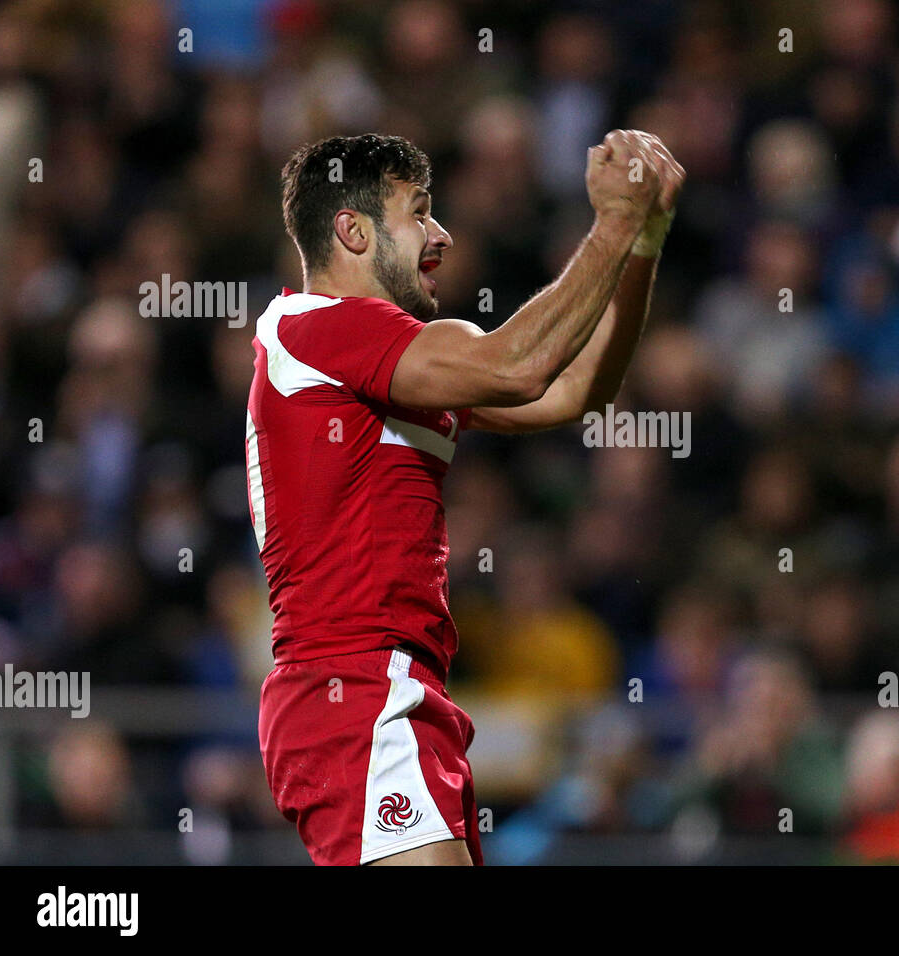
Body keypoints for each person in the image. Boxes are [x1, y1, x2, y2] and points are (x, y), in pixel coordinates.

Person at [247, 130, 684, 865]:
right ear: (352, 231)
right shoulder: (322, 328)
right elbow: (520, 367)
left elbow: (572, 389)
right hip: (354, 689)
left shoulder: (384, 361)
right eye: (419, 212)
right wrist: (611, 221)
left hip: (380, 692)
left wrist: (643, 239)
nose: (441, 234)